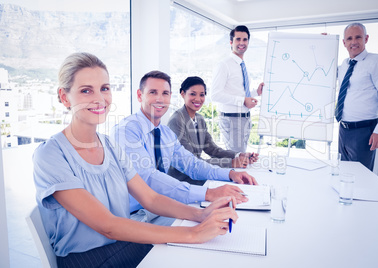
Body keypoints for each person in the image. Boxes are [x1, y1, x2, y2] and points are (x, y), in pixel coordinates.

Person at [32, 52, 238, 267]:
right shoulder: (51, 154)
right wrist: (194, 233)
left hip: (120, 242)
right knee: (189, 250)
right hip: (88, 258)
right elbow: (107, 225)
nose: (99, 98)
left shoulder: (110, 145)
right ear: (65, 97)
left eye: (104, 88)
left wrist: (201, 214)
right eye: (86, 90)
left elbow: (151, 199)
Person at [111, 70, 257, 220]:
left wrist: (230, 174)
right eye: (153, 92)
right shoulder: (127, 131)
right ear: (140, 95)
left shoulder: (165, 133)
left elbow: (192, 164)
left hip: (162, 206)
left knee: (224, 219)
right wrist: (209, 193)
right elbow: (148, 178)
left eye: (165, 93)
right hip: (134, 215)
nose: (160, 99)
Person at [167, 76, 259, 185]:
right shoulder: (176, 120)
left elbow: (212, 149)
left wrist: (238, 155)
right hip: (183, 179)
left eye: (202, 95)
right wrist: (231, 163)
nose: (198, 99)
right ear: (183, 94)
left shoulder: (199, 119)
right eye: (193, 94)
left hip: (198, 173)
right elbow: (192, 163)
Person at [335, 23, 378, 171]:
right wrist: (322, 44)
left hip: (364, 131)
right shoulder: (344, 65)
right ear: (344, 42)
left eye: (358, 37)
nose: (354, 42)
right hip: (344, 129)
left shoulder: (377, 62)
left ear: (366, 38)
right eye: (349, 38)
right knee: (343, 174)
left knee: (360, 179)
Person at [211, 25, 264, 152]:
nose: (242, 43)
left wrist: (256, 92)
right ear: (231, 42)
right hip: (232, 119)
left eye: (245, 40)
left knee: (241, 157)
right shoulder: (224, 65)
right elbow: (215, 95)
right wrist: (242, 101)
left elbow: (240, 92)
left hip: (245, 118)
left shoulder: (242, 65)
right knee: (237, 159)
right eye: (238, 39)